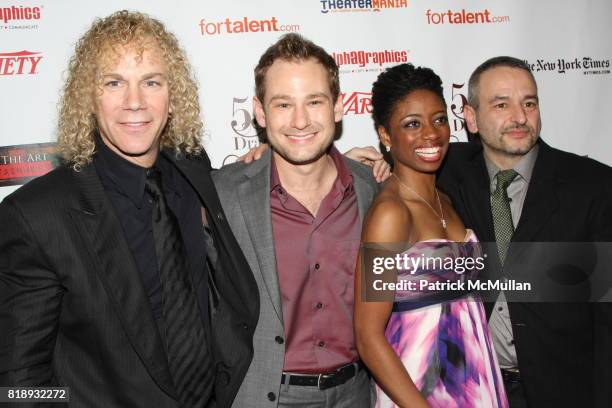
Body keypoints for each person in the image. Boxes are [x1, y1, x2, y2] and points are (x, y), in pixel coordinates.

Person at [0, 10, 258, 407]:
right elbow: (19, 381)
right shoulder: (36, 216)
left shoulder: (194, 170)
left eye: (151, 82)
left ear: (174, 95)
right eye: (114, 82)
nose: (134, 102)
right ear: (88, 96)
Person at [212, 33, 379, 408]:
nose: (300, 121)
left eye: (315, 102)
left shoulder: (373, 191)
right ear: (260, 112)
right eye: (283, 104)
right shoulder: (223, 195)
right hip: (261, 397)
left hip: (357, 395)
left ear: (338, 107)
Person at [438, 56, 612, 407]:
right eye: (501, 104)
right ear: (470, 118)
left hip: (563, 389)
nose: (519, 117)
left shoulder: (593, 186)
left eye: (528, 103)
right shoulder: (446, 172)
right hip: (473, 388)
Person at [354, 63, 508, 408]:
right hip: (419, 387)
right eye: (412, 124)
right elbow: (367, 336)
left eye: (439, 119)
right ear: (385, 135)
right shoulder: (389, 214)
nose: (431, 134)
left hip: (473, 377)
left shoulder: (447, 199)